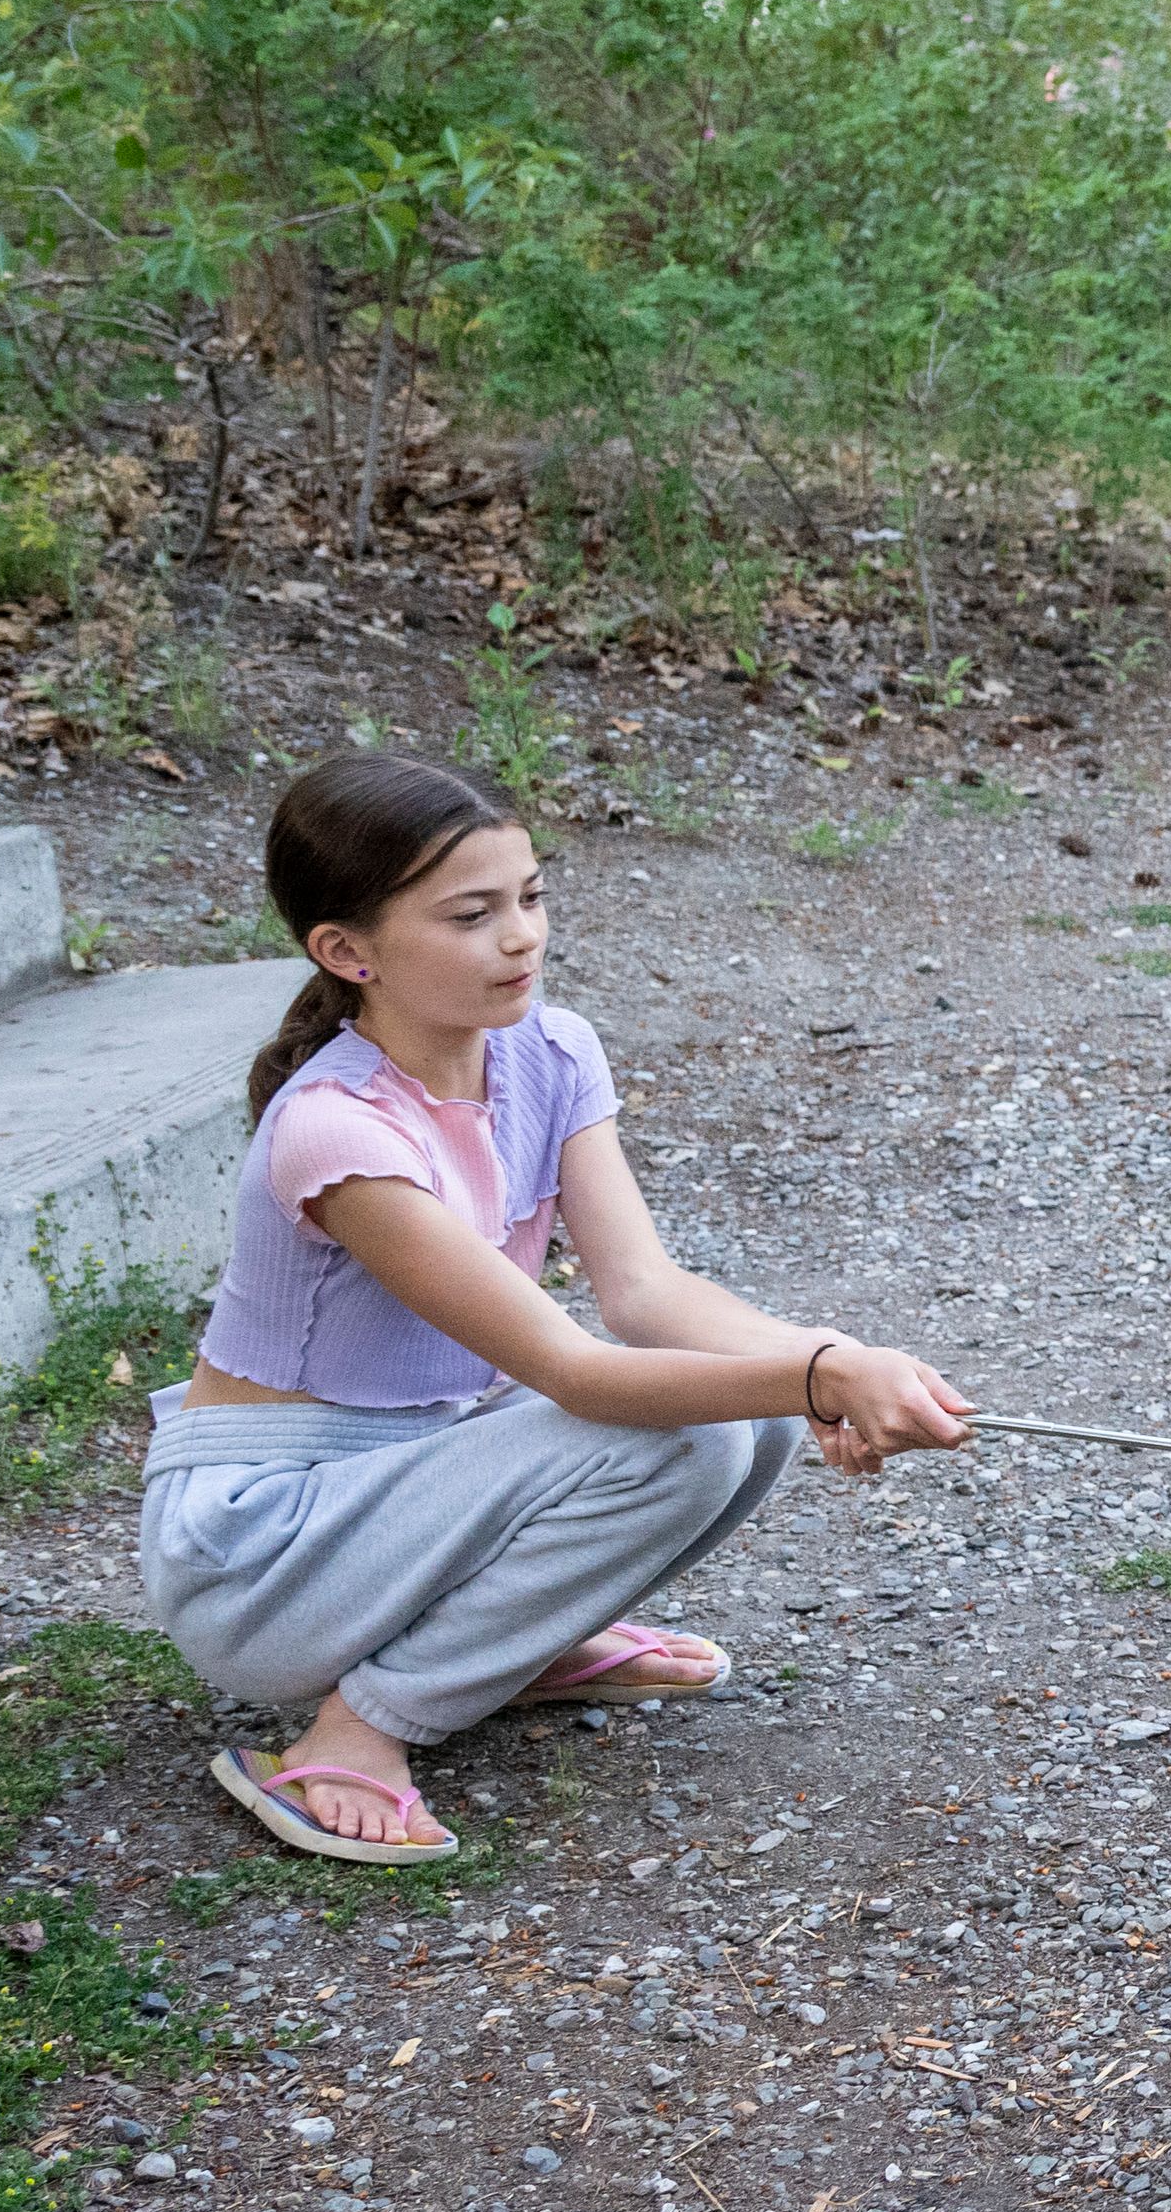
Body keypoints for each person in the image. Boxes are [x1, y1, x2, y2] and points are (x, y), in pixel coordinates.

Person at [147, 750, 973, 1864]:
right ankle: (351, 1735)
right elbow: (574, 1371)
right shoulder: (338, 1130)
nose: (523, 936)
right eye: (471, 914)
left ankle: (512, 1647)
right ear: (348, 953)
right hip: (264, 1553)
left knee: (757, 1407)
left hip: (411, 1488)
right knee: (691, 1428)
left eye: (530, 897)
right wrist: (822, 1375)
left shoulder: (550, 1048)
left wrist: (836, 1363)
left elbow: (646, 1294)